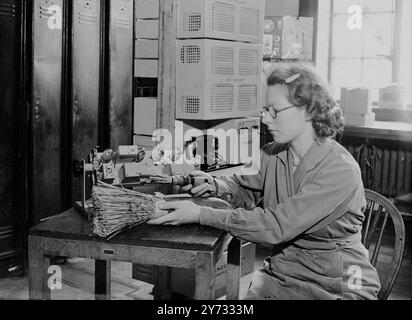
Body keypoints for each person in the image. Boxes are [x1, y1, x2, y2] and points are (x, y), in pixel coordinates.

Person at [148, 63, 381, 300]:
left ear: (310, 110)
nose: (265, 119)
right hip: (284, 274)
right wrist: (214, 185)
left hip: (337, 283)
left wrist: (200, 214)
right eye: (264, 110)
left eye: (274, 110)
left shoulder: (339, 169)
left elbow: (277, 226)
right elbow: (243, 187)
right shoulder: (272, 153)